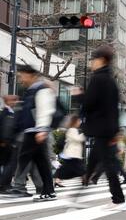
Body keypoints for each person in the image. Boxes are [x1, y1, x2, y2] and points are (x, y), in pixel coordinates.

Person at [73, 45, 126, 211]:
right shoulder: (111, 80)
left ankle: (118, 199)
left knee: (108, 165)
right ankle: (79, 194)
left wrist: (78, 95)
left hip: (101, 129)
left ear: (101, 60)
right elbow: (115, 107)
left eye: (93, 59)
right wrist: (116, 130)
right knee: (93, 163)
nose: (91, 63)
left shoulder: (98, 79)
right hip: (108, 128)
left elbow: (89, 103)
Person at [8, 65, 57, 201]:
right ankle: (48, 191)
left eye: (21, 75)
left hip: (35, 131)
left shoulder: (41, 88)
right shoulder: (32, 89)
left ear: (30, 75)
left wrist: (42, 129)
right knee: (41, 162)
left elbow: (44, 109)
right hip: (32, 131)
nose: (20, 79)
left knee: (24, 159)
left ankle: (15, 186)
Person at [54, 115, 86, 183]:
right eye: (78, 121)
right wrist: (84, 134)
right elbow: (77, 139)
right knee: (78, 168)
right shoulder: (72, 130)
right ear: (74, 122)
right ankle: (84, 178)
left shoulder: (72, 129)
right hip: (72, 153)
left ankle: (57, 179)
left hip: (73, 154)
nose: (79, 123)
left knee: (70, 168)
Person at [0, 95, 19, 191]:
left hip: (7, 143)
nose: (15, 102)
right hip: (6, 143)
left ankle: (5, 184)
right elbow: (5, 128)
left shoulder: (10, 112)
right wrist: (4, 141)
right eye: (13, 100)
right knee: (9, 165)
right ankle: (4, 185)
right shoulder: (6, 113)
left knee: (7, 165)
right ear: (7, 101)